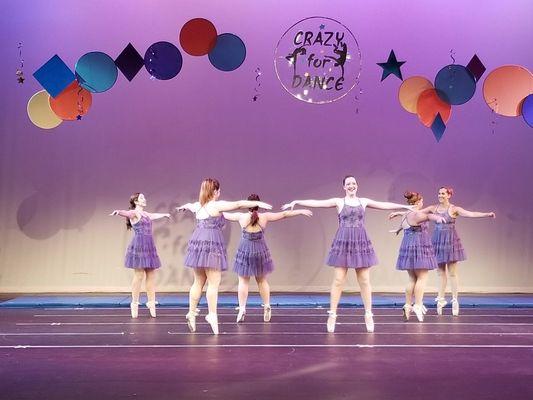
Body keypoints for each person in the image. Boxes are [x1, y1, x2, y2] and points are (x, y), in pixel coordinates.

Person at [282, 176, 413, 333]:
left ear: (357, 186)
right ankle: (332, 314)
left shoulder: (363, 202)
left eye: (354, 183)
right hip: (343, 241)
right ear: (344, 187)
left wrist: (405, 207)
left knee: (364, 280)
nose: (351, 186)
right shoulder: (339, 202)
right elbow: (318, 202)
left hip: (359, 241)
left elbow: (383, 205)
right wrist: (297, 201)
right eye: (348, 184)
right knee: (338, 280)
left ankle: (368, 314)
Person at [176, 178, 272, 335]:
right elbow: (238, 204)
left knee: (198, 281)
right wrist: (258, 205)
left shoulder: (197, 206)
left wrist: (183, 207)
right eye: (219, 191)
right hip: (211, 243)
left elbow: (189, 206)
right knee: (214, 283)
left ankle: (192, 313)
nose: (220, 193)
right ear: (214, 192)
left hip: (198, 243)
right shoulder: (216, 205)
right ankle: (212, 315)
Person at [224, 194, 312, 323]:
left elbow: (223, 214)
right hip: (260, 251)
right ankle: (267, 306)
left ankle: (242, 308)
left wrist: (208, 207)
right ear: (259, 205)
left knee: (243, 281)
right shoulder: (264, 217)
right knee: (262, 281)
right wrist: (300, 211)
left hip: (245, 251)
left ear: (247, 204)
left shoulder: (241, 217)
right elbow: (284, 214)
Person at [424, 187, 495, 316]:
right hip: (437, 242)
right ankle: (440, 299)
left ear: (449, 195)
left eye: (443, 193)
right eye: (439, 193)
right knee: (440, 273)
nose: (440, 195)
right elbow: (417, 213)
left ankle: (455, 300)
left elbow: (471, 214)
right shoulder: (432, 208)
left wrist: (487, 214)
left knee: (452, 273)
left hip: (450, 242)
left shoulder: (454, 209)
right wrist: (400, 213)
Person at [110, 193, 170, 318]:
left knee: (151, 275)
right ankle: (135, 303)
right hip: (139, 246)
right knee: (139, 275)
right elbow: (127, 213)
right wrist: (118, 212)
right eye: (142, 198)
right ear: (136, 201)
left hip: (148, 246)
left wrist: (164, 215)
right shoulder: (134, 213)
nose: (144, 199)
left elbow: (153, 215)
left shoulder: (145, 214)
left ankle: (151, 302)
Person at [390, 191, 445, 322]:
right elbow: (429, 216)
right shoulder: (418, 214)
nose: (423, 203)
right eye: (422, 201)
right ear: (418, 202)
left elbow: (404, 222)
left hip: (407, 246)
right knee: (422, 277)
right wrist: (438, 218)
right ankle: (418, 305)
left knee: (412, 279)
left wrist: (397, 226)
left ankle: (407, 305)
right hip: (419, 246)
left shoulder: (406, 214)